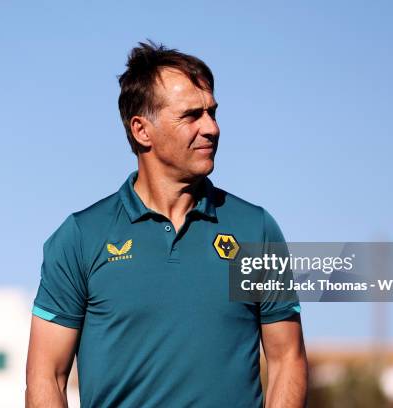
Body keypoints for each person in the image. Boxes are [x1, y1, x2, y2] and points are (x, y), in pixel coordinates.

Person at [25, 41, 307, 408]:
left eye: (212, 112)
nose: (212, 128)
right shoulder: (80, 237)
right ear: (142, 131)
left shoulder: (256, 229)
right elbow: (46, 375)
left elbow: (288, 360)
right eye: (192, 115)